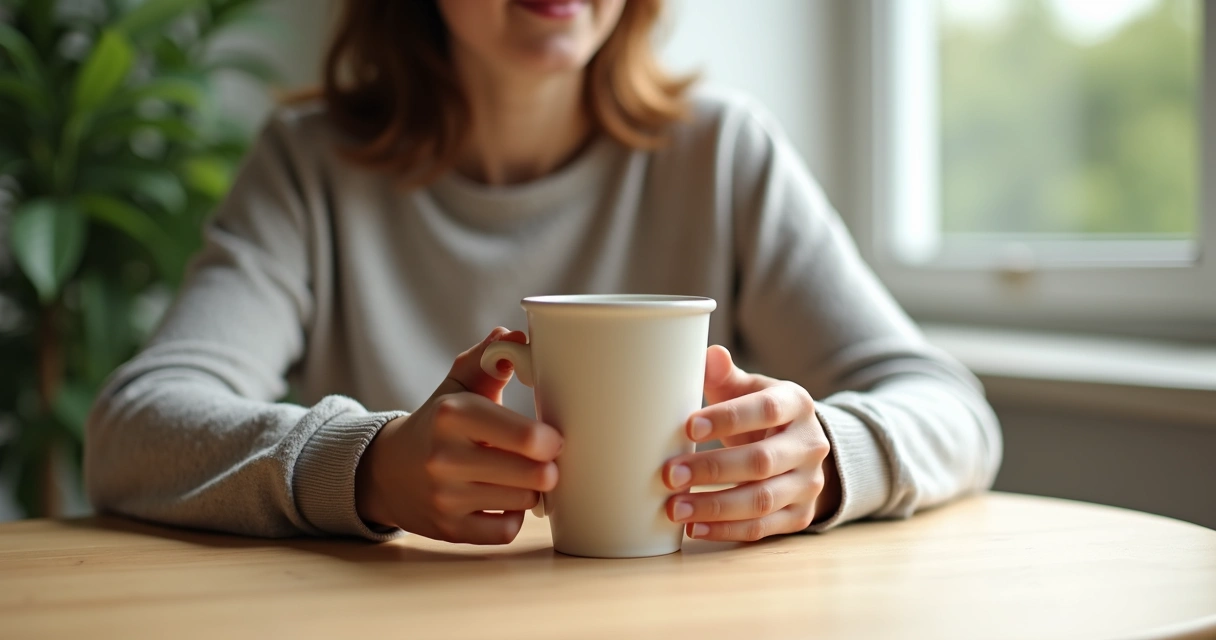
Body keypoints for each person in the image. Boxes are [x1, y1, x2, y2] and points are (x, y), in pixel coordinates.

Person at [85, 0, 1001, 545]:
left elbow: (951, 409)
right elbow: (134, 429)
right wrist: (366, 467)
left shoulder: (723, 155)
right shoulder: (308, 166)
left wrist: (826, 461)